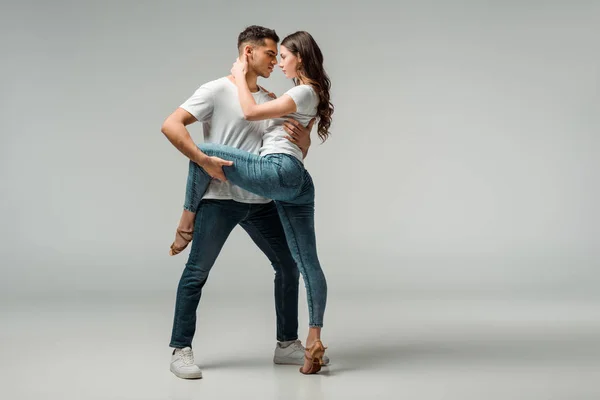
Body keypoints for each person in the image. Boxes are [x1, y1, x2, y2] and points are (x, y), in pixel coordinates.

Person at [161, 26, 325, 379]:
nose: (275, 62)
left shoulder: (267, 98)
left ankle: (286, 343)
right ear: (248, 52)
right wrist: (202, 159)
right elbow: (172, 125)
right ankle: (181, 348)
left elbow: (286, 148)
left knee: (288, 265)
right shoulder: (217, 90)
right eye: (270, 54)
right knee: (196, 273)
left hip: (261, 200)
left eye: (279, 56)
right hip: (219, 199)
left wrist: (306, 144)